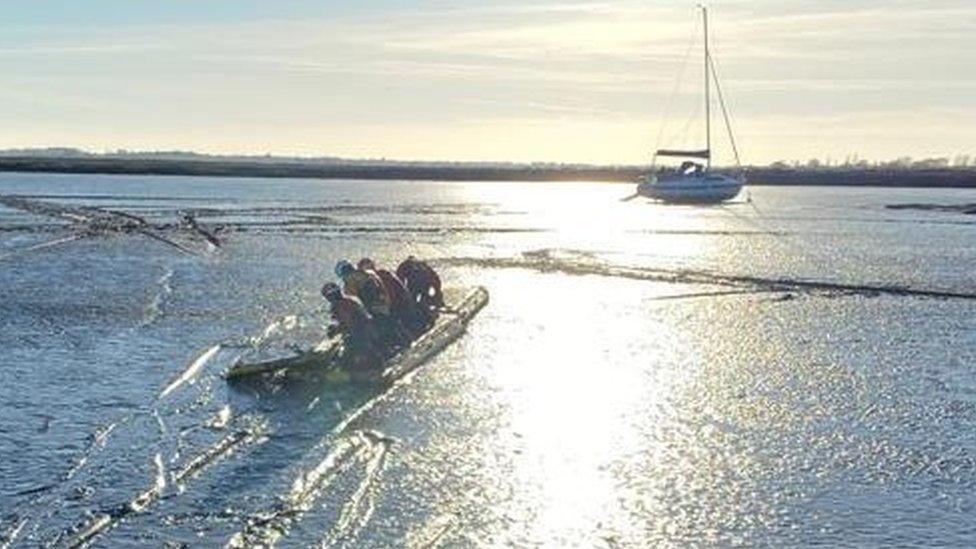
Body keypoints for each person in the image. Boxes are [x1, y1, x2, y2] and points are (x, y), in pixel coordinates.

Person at [336, 259, 404, 351]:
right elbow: (382, 286)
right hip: (386, 303)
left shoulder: (349, 284)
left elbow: (355, 303)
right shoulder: (369, 273)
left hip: (374, 311)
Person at [359, 257, 432, 336]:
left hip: (399, 301)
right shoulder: (378, 276)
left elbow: (394, 289)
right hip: (399, 300)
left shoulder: (381, 275)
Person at [320, 282, 382, 371]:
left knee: (353, 353)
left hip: (361, 332)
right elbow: (337, 321)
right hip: (359, 331)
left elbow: (354, 319)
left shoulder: (345, 303)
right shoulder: (342, 303)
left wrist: (338, 328)